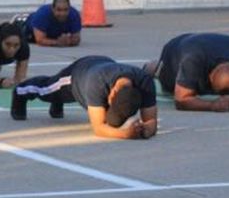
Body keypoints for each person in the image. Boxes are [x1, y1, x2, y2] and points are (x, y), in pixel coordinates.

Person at [11, 55, 158, 139]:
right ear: (112, 94)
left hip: (104, 64)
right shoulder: (96, 83)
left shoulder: (145, 82)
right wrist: (126, 134)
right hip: (80, 73)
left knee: (113, 122)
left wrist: (145, 130)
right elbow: (99, 128)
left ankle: (57, 102)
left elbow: (151, 122)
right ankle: (20, 92)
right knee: (47, 90)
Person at [149, 33, 229, 112]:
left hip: (202, 43)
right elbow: (181, 99)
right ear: (209, 77)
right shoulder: (192, 60)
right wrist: (211, 105)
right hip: (176, 48)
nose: (223, 97)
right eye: (219, 93)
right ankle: (150, 68)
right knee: (167, 85)